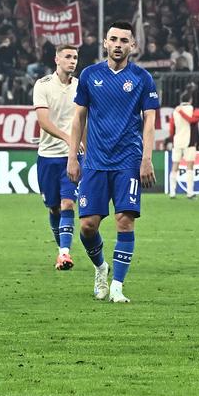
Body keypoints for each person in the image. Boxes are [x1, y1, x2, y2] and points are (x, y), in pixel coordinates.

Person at [68, 20, 159, 304]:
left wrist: (146, 158)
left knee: (124, 222)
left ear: (133, 46)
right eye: (113, 39)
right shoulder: (89, 75)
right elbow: (78, 118)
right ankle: (100, 268)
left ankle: (117, 285)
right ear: (105, 43)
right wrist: (73, 156)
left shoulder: (142, 79)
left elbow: (150, 121)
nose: (118, 45)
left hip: (128, 161)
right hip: (95, 161)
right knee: (87, 227)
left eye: (124, 40)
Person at [31, 44, 79, 270]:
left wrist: (81, 146)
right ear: (57, 60)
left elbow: (85, 122)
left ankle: (65, 253)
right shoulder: (43, 85)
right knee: (54, 207)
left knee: (68, 202)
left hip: (72, 157)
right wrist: (67, 137)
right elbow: (43, 121)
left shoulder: (81, 86)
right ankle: (62, 250)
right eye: (68, 56)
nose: (72, 61)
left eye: (75, 57)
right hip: (47, 156)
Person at [172, 91, 199, 198]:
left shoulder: (175, 111)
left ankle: (172, 192)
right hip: (189, 142)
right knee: (189, 166)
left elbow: (171, 127)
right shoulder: (192, 109)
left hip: (177, 141)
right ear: (190, 100)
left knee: (175, 166)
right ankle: (189, 192)